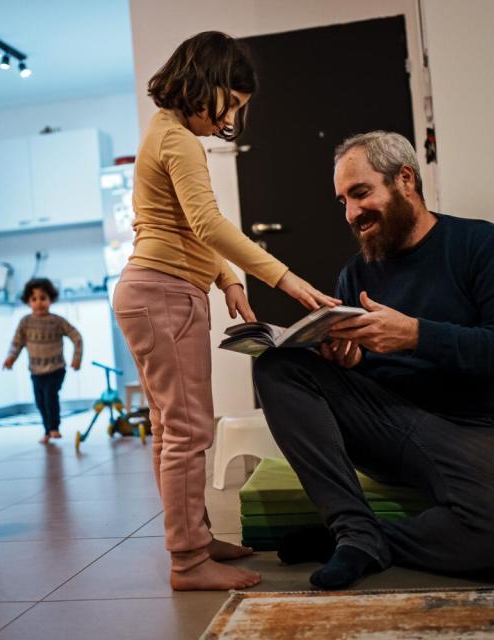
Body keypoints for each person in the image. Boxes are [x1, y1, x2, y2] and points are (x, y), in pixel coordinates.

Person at [252, 131, 494, 590]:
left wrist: (415, 335)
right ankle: (351, 527)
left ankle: (363, 539)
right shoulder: (356, 273)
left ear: (405, 179)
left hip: (470, 426)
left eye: (361, 193)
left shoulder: (482, 244)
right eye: (342, 200)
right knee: (276, 366)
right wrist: (350, 361)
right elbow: (363, 364)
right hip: (383, 423)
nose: (351, 214)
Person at [113, 31, 339, 591]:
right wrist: (283, 278)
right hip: (164, 293)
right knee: (188, 432)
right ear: (207, 84)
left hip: (154, 289)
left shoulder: (165, 132)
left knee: (171, 429)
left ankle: (195, 537)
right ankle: (188, 561)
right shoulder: (179, 140)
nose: (232, 117)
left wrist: (227, 278)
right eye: (232, 103)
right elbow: (208, 224)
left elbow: (184, 226)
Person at [4, 278, 83, 444]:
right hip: (36, 370)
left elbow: (76, 337)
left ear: (51, 299)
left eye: (43, 298)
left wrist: (77, 358)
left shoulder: (57, 321)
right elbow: (17, 343)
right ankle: (47, 430)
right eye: (34, 299)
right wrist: (11, 358)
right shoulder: (25, 322)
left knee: (50, 396)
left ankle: (54, 428)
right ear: (27, 302)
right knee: (40, 402)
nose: (39, 303)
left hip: (56, 369)